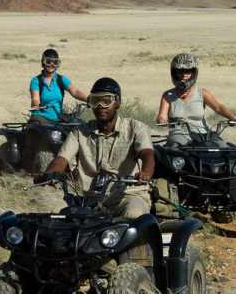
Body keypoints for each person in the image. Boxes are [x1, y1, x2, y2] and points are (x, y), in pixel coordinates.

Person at [35, 77, 157, 269]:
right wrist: (50, 173)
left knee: (134, 215)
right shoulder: (79, 132)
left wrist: (146, 172)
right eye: (94, 101)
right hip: (89, 199)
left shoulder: (135, 128)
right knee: (62, 225)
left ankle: (137, 270)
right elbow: (62, 159)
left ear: (117, 102)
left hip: (128, 194)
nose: (100, 106)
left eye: (106, 101)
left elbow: (147, 153)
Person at [155, 53, 236, 148]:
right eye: (180, 71)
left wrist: (234, 118)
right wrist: (163, 121)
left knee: (223, 147)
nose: (184, 75)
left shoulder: (202, 93)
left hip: (203, 134)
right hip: (179, 134)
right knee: (175, 148)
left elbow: (218, 107)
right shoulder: (168, 95)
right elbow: (162, 116)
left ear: (194, 73)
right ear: (174, 73)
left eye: (188, 71)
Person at [28, 48, 88, 121]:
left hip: (58, 119)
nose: (51, 65)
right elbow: (35, 98)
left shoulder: (61, 79)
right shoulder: (36, 81)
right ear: (43, 62)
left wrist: (90, 100)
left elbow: (75, 91)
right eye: (48, 61)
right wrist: (37, 105)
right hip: (40, 118)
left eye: (55, 62)